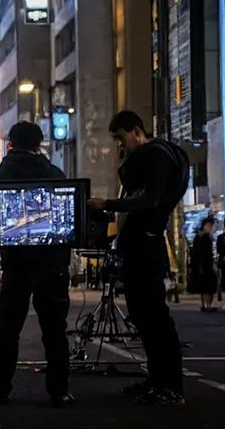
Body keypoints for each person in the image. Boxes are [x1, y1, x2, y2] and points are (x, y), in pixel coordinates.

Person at [87, 111, 189, 406]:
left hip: (146, 246)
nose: (121, 146)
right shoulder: (165, 154)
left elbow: (149, 199)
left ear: (135, 131)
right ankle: (158, 380)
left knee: (154, 317)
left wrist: (108, 203)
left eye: (121, 138)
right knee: (145, 317)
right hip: (143, 243)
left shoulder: (154, 156)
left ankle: (170, 386)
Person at [0, 121, 74, 409]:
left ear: (10, 144)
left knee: (8, 330)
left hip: (17, 263)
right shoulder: (54, 173)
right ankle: (59, 391)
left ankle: (0, 389)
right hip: (53, 262)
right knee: (55, 330)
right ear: (39, 145)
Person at [187, 217, 218, 312]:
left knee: (207, 286)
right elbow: (199, 253)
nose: (211, 227)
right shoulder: (202, 236)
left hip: (205, 264)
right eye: (209, 225)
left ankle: (207, 305)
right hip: (204, 264)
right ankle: (207, 305)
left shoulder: (204, 236)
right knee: (206, 286)